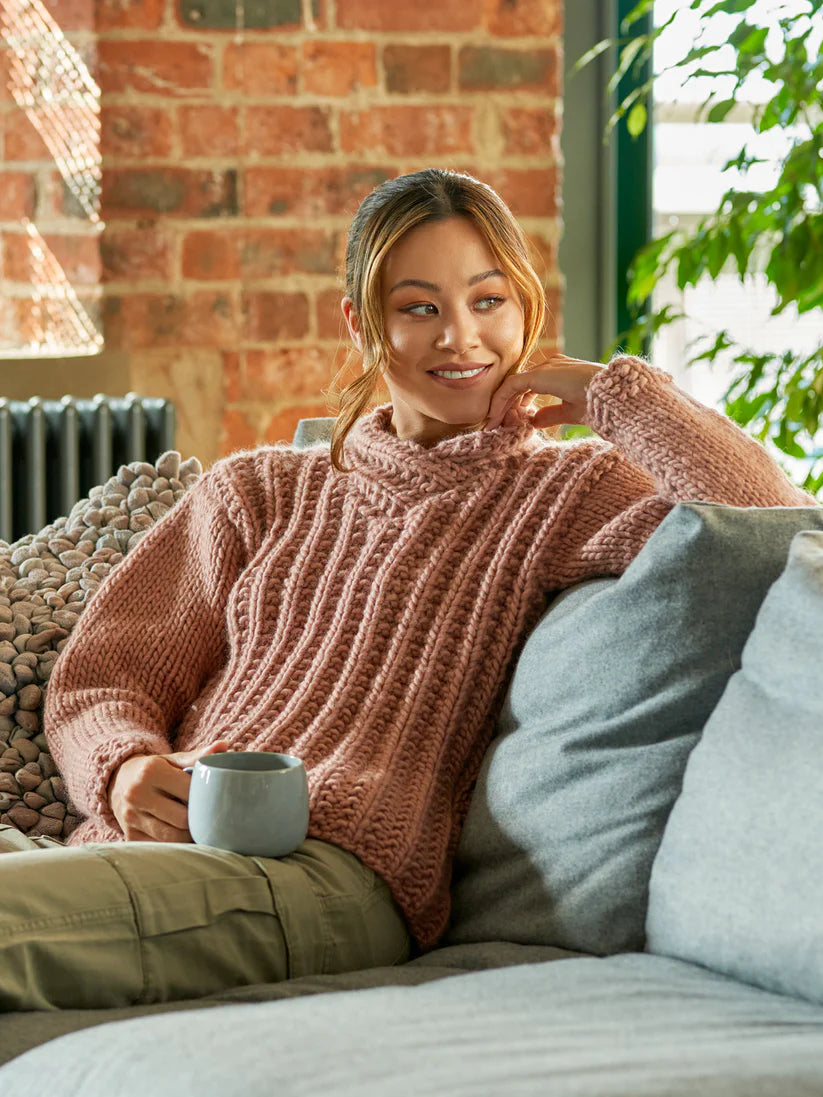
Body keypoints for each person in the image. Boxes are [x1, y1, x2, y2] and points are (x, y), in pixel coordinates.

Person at [0, 168, 812, 1012]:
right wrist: (121, 767)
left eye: (488, 300)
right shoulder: (256, 490)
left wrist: (614, 394)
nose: (461, 337)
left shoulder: (567, 494)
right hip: (140, 850)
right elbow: (105, 672)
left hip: (328, 877)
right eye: (419, 307)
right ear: (361, 324)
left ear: (525, 308)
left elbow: (777, 528)